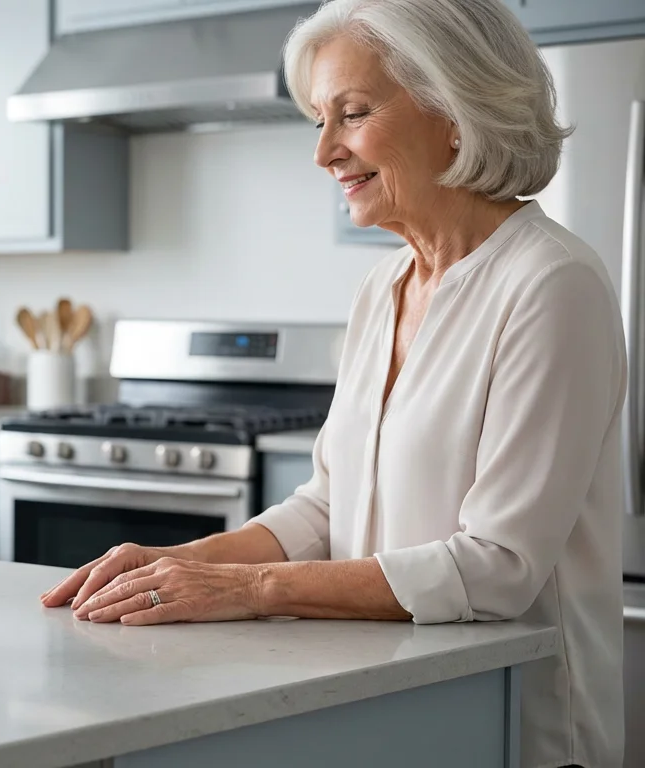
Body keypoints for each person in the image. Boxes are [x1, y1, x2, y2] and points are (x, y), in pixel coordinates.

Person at [40, 1, 626, 765]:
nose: (324, 152)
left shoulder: (552, 283)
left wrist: (249, 590)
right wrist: (176, 564)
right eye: (319, 119)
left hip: (521, 721)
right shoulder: (382, 288)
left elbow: (497, 568)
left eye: (351, 114)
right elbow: (325, 505)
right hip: (389, 703)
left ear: (456, 110)